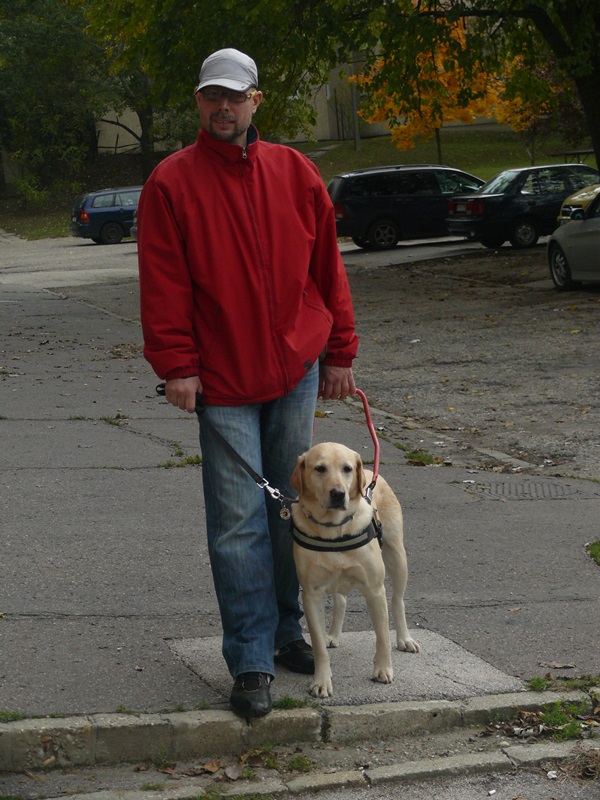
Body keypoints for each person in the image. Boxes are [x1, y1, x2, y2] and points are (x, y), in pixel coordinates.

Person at [137, 47, 358, 718]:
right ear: (199, 102)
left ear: (255, 100)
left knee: (292, 510)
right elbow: (163, 284)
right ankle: (252, 657)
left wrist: (341, 350)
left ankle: (293, 633)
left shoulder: (296, 172)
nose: (222, 107)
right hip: (222, 382)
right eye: (211, 96)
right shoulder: (172, 183)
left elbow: (328, 269)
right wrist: (177, 365)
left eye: (234, 96)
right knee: (238, 524)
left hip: (295, 369)